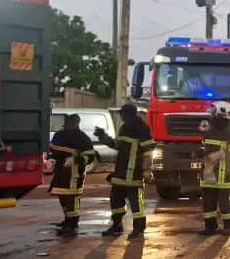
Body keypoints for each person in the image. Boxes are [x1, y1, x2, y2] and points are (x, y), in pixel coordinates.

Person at [94, 103, 154, 240]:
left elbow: (149, 151)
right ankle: (116, 225)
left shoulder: (142, 128)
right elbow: (117, 146)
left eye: (122, 114)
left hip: (134, 172)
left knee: (135, 202)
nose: (121, 116)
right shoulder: (124, 128)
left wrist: (147, 169)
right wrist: (103, 137)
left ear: (128, 114)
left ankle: (138, 228)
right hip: (121, 171)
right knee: (116, 200)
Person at [197, 101, 230, 235]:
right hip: (208, 172)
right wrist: (200, 151)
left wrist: (221, 154)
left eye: (213, 113)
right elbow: (206, 146)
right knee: (208, 201)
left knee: (225, 202)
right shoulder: (209, 130)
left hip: (225, 173)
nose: (210, 116)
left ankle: (228, 227)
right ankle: (210, 227)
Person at [48, 114, 96, 236]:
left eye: (74, 123)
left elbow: (90, 155)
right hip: (61, 169)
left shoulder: (82, 138)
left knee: (72, 197)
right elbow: (52, 148)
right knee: (61, 194)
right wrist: (63, 156)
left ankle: (72, 222)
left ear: (77, 123)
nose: (71, 125)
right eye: (70, 123)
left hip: (75, 173)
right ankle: (67, 219)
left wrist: (78, 159)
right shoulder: (60, 135)